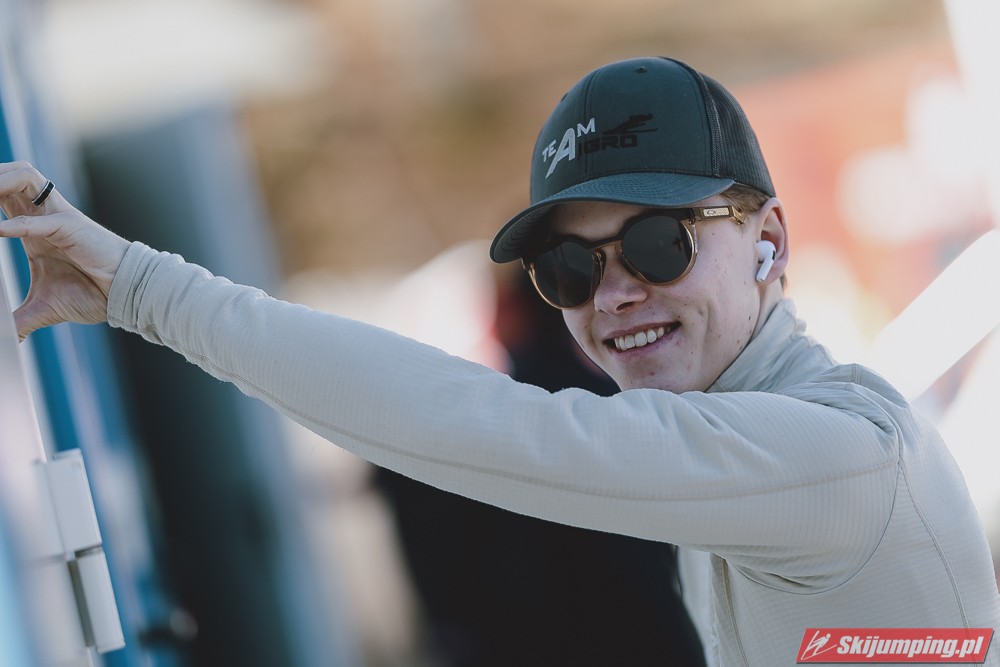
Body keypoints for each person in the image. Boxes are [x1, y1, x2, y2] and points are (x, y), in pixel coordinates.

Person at [1, 56, 998, 666]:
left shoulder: (837, 460)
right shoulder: (758, 451)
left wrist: (140, 288)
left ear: (768, 238)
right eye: (569, 268)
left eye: (659, 243)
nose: (614, 293)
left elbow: (479, 425)